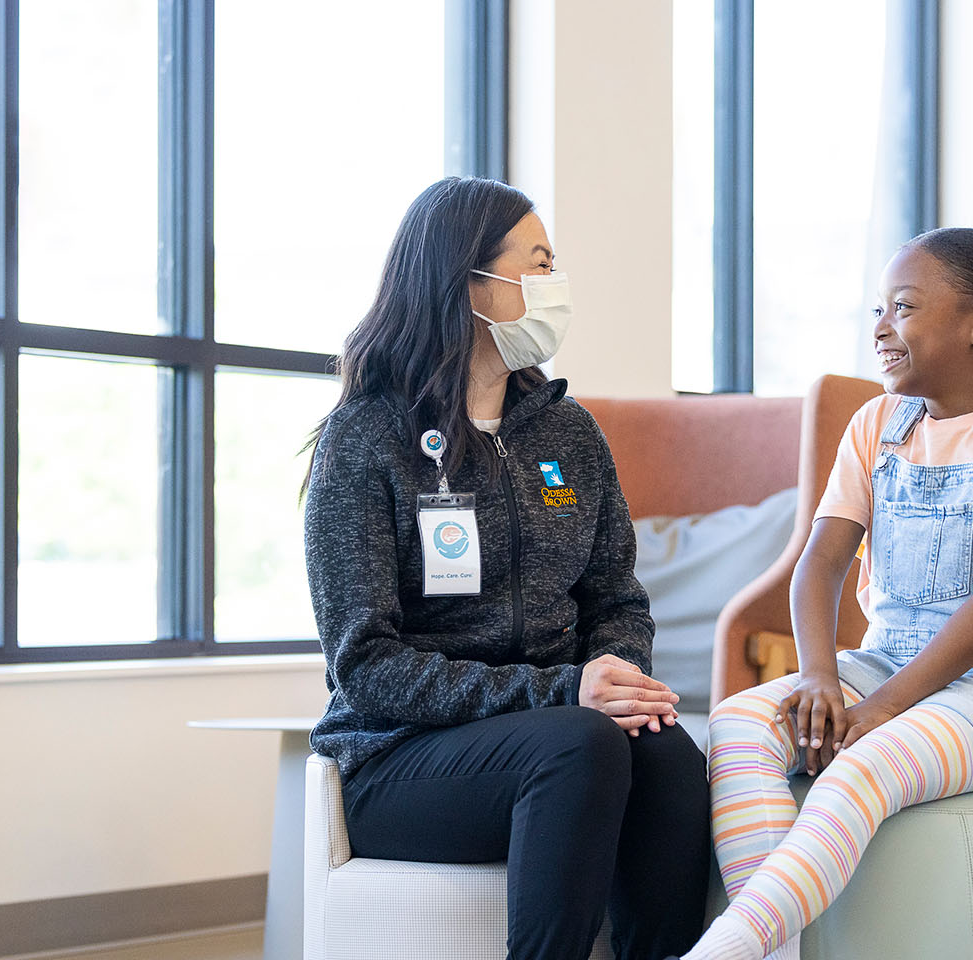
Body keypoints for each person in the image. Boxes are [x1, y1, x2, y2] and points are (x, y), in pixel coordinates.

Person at [303, 176, 710, 960]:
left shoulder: (569, 433)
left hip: (561, 732)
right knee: (580, 745)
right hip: (401, 756)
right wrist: (565, 691)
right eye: (537, 263)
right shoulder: (365, 439)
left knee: (666, 751)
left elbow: (616, 596)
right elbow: (366, 665)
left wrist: (617, 674)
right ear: (469, 282)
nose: (554, 285)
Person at [676, 227, 973, 960]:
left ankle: (725, 951)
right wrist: (818, 679)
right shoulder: (877, 422)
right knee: (740, 727)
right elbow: (819, 565)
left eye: (902, 308)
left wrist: (883, 708)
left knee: (861, 765)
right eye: (878, 309)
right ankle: (771, 953)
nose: (879, 329)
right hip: (885, 658)